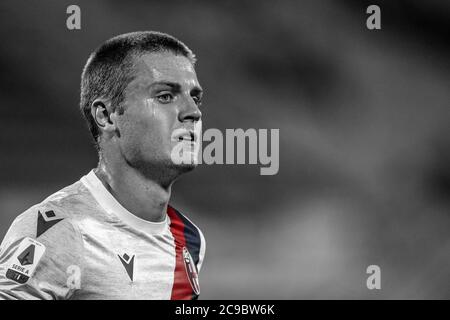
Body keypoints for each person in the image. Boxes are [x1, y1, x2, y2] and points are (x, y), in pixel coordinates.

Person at [0, 31, 206, 300]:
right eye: (165, 96)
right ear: (106, 116)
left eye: (196, 97)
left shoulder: (189, 238)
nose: (193, 112)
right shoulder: (58, 229)